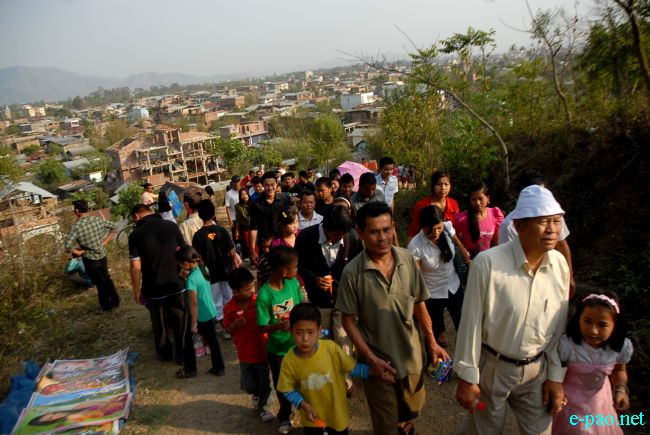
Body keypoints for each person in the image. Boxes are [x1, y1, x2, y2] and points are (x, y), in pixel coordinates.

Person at [454, 185, 571, 435]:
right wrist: (467, 377)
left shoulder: (559, 265)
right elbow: (470, 324)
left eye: (556, 221)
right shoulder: (488, 264)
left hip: (537, 372)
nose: (552, 229)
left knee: (540, 430)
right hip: (494, 370)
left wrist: (555, 376)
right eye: (543, 222)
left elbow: (558, 328)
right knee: (485, 429)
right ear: (519, 226)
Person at [336, 202, 448, 435]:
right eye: (374, 232)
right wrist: (371, 359)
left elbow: (419, 303)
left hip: (411, 357)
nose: (382, 238)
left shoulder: (407, 259)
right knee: (386, 426)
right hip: (379, 367)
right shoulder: (352, 273)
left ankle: (405, 425)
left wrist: (432, 341)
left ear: (394, 227)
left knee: (412, 409)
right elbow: (348, 321)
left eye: (387, 230)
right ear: (360, 233)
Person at [277, 303, 375, 435]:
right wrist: (303, 405)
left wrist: (373, 372)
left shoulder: (331, 349)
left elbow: (352, 368)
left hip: (337, 416)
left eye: (310, 332)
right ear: (291, 332)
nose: (305, 339)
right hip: (312, 420)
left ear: (319, 331)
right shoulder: (289, 361)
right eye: (299, 333)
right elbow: (287, 389)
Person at [552, 291, 632, 435]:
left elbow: (619, 370)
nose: (593, 331)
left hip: (600, 402)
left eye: (602, 325)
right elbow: (556, 370)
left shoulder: (619, 348)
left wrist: (620, 389)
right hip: (570, 401)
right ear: (579, 319)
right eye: (587, 321)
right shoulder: (568, 345)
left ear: (614, 326)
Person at [295, 205, 363, 355]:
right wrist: (314, 279)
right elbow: (299, 266)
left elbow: (359, 268)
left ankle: (345, 370)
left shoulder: (353, 239)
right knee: (321, 342)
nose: (339, 238)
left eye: (342, 235)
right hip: (318, 302)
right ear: (325, 228)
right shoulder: (306, 237)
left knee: (344, 343)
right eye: (336, 235)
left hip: (344, 301)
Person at [499, 169, 576, 297]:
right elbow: (506, 260)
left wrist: (569, 276)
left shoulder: (555, 216)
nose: (551, 229)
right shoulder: (508, 226)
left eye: (543, 192)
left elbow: (562, 245)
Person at [129, 204, 186, 363]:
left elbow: (135, 266)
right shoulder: (171, 226)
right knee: (180, 318)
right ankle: (182, 353)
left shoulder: (135, 235)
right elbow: (184, 251)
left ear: (137, 216)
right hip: (176, 282)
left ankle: (164, 352)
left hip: (153, 287)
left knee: (159, 322)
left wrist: (136, 291)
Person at [256, 246, 305, 434]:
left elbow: (300, 306)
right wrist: (278, 326)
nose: (297, 269)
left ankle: (308, 413)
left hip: (298, 346)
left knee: (304, 381)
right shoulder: (265, 295)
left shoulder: (293, 283)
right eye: (295, 266)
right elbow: (262, 327)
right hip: (277, 351)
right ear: (284, 270)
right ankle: (285, 415)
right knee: (282, 385)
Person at [407, 205, 462, 349]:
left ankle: (465, 355)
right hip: (432, 294)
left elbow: (458, 244)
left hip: (454, 286)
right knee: (434, 330)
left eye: (439, 228)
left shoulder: (447, 228)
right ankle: (433, 360)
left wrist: (467, 259)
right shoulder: (415, 246)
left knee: (463, 323)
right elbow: (416, 276)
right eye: (430, 230)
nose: (436, 233)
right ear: (422, 227)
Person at [224, 268, 274, 423]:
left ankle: (265, 407)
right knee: (249, 385)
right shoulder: (229, 308)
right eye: (248, 289)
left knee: (265, 382)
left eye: (253, 286)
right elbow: (227, 329)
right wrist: (235, 325)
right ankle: (256, 394)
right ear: (235, 291)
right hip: (244, 354)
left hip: (262, 351)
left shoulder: (259, 302)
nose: (253, 290)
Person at [174, 246, 226, 379]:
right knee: (213, 341)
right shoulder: (204, 269)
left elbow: (194, 304)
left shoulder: (191, 280)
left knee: (188, 342)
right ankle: (219, 367)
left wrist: (193, 324)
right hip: (211, 312)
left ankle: (190, 370)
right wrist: (186, 277)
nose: (180, 266)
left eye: (180, 264)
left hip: (201, 316)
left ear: (186, 264)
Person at [192, 199, 241, 339]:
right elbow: (232, 253)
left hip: (211, 275)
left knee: (217, 303)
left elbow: (198, 259)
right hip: (227, 271)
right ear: (214, 213)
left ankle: (226, 329)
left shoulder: (198, 236)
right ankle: (234, 326)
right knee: (230, 299)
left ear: (199, 215)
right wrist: (235, 267)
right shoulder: (222, 231)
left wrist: (202, 274)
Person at [64, 200, 120, 311]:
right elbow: (115, 227)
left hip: (90, 259)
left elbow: (67, 245)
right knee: (106, 278)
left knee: (99, 283)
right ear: (87, 209)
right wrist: (105, 242)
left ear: (77, 211)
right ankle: (115, 301)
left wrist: (77, 252)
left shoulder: (76, 227)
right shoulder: (96, 219)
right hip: (102, 256)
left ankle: (106, 306)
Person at [248, 171, 292, 266]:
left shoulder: (284, 199)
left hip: (282, 241)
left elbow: (287, 217)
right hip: (265, 245)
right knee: (268, 269)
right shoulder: (256, 204)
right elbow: (253, 228)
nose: (270, 188)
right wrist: (252, 250)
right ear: (263, 185)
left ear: (277, 184)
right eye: (267, 185)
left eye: (272, 184)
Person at [453, 181, 504, 259]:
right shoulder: (462, 219)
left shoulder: (495, 214)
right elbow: (454, 236)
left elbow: (497, 241)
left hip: (489, 257)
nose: (477, 202)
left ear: (488, 198)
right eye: (474, 199)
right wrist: (464, 252)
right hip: (469, 260)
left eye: (480, 199)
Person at [407, 170, 460, 241]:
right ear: (433, 185)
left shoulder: (453, 203)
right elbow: (413, 231)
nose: (443, 188)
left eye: (446, 184)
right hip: (426, 244)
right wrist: (410, 246)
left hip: (449, 244)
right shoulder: (422, 205)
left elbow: (457, 228)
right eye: (439, 184)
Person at [235, 188, 251, 259]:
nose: (244, 196)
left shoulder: (253, 203)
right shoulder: (238, 206)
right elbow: (238, 219)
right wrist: (236, 231)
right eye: (242, 195)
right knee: (248, 245)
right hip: (245, 228)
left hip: (255, 227)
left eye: (246, 194)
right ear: (240, 196)